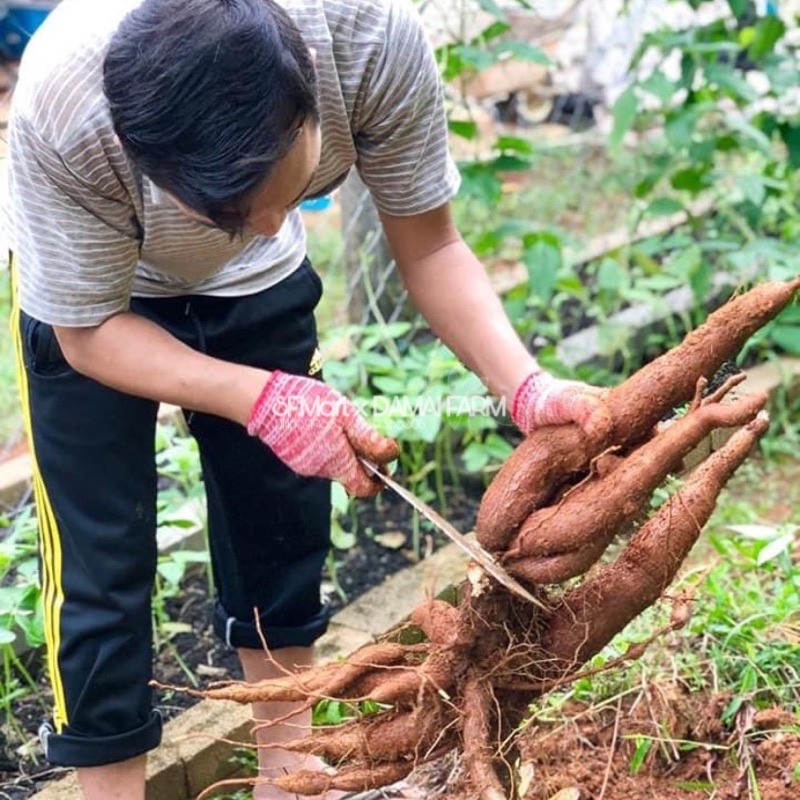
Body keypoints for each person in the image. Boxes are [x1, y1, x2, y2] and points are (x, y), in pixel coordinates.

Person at [7, 0, 607, 798]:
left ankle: (287, 776)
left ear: (306, 90)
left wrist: (524, 385)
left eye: (284, 194)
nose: (266, 226)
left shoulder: (370, 44)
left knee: (280, 526)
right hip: (95, 306)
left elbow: (430, 242)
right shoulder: (63, 109)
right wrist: (257, 399)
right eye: (227, 211)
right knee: (100, 564)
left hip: (259, 294)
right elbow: (86, 334)